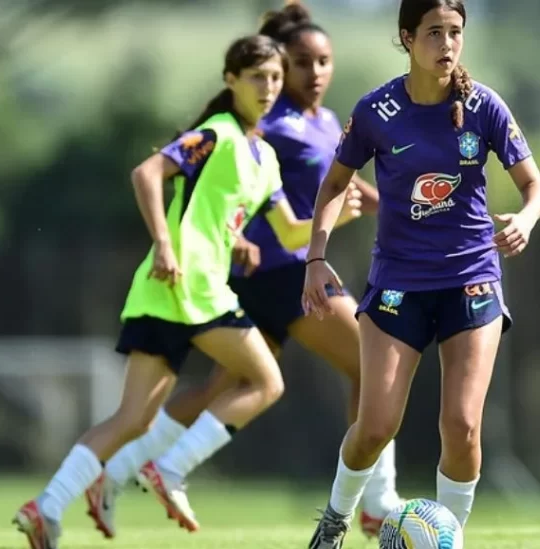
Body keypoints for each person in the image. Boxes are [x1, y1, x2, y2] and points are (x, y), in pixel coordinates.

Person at [85, 2, 403, 540]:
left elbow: (340, 185)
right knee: (374, 361)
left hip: (274, 273)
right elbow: (218, 166)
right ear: (279, 67)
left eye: (325, 61)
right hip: (282, 270)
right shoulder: (267, 123)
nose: (316, 73)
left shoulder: (324, 122)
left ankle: (113, 474)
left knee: (220, 390)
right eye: (302, 63)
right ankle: (376, 501)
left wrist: (392, 201)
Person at [12, 35, 344, 548]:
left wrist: (339, 211)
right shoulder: (214, 134)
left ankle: (46, 507)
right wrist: (164, 243)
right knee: (266, 382)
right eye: (257, 76)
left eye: (275, 78)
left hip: (173, 290)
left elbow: (291, 233)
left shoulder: (265, 158)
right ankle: (169, 470)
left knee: (133, 418)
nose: (268, 86)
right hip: (191, 284)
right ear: (230, 80)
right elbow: (146, 173)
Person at [301, 0, 540, 546]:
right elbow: (334, 185)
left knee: (461, 428)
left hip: (472, 280)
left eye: (455, 32)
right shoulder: (375, 111)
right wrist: (315, 260)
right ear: (407, 38)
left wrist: (526, 219)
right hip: (398, 285)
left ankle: (446, 538)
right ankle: (334, 523)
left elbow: (536, 186)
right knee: (375, 427)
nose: (447, 44)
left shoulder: (483, 107)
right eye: (434, 32)